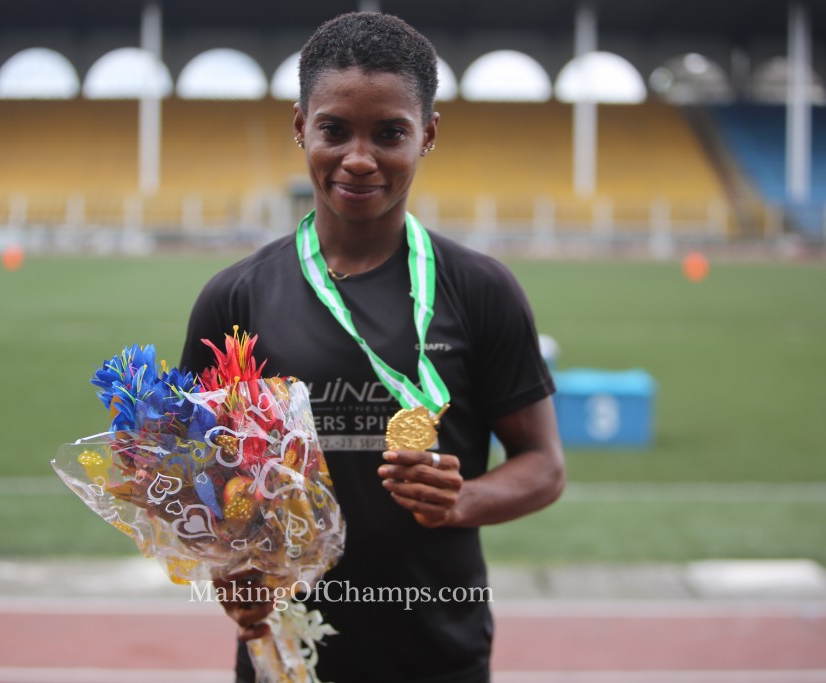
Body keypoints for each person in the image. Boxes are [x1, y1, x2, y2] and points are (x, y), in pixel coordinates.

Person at [180, 12, 565, 682]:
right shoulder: (234, 298)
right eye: (334, 129)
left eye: (390, 133)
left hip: (439, 653)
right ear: (302, 127)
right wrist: (228, 565)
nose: (359, 158)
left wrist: (463, 499)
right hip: (286, 655)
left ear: (429, 135)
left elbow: (543, 464)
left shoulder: (480, 289)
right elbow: (191, 471)